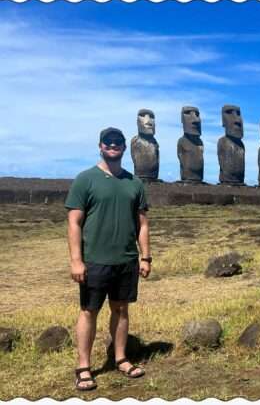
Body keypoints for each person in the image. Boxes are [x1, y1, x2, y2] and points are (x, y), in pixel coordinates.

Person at [65, 127, 152, 391]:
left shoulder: (134, 183)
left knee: (121, 310)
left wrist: (145, 257)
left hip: (126, 259)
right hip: (94, 260)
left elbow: (143, 224)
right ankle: (83, 366)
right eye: (108, 142)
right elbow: (74, 223)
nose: (113, 146)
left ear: (125, 148)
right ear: (100, 146)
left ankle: (121, 358)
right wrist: (76, 260)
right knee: (89, 311)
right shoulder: (86, 179)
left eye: (118, 143)